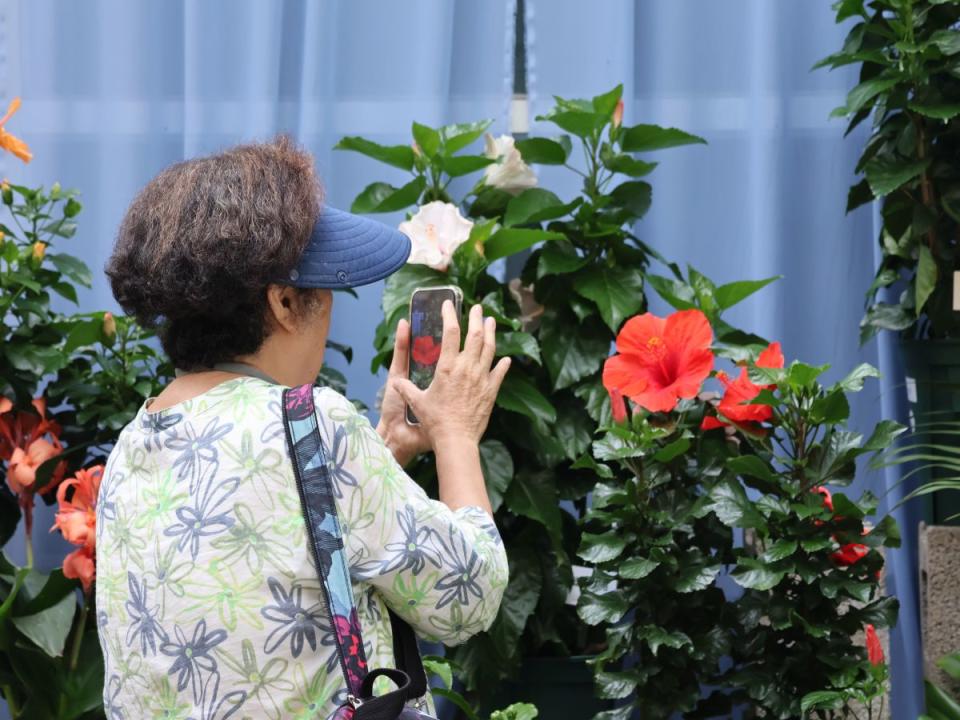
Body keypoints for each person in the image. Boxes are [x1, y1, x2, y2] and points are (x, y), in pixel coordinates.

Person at [98, 137, 510, 719]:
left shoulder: (135, 443)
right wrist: (456, 435)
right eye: (325, 290)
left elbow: (268, 553)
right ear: (285, 303)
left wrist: (384, 453)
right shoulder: (316, 426)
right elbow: (469, 596)